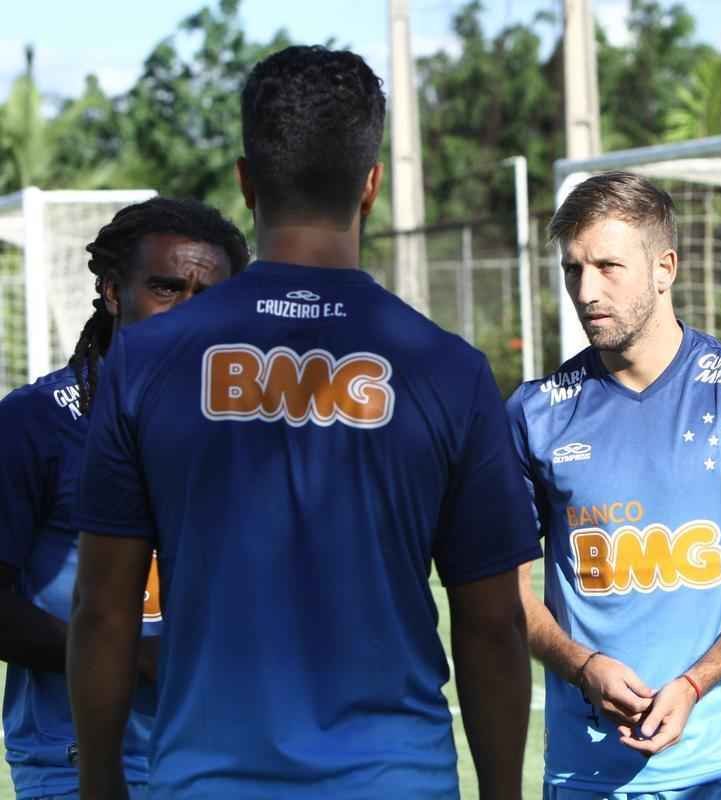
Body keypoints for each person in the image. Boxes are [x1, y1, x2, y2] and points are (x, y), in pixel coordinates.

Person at [67, 46, 540, 800]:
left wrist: (99, 786)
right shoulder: (450, 369)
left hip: (205, 783)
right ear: (372, 187)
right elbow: (493, 625)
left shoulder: (146, 359)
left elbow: (102, 610)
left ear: (246, 182)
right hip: (396, 782)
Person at [508, 170, 721, 798]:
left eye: (608, 266)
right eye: (573, 270)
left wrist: (696, 682)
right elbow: (508, 598)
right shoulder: (533, 413)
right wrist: (582, 666)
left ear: (664, 267)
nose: (587, 291)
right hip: (589, 773)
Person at [0, 196, 247, 800]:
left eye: (209, 298)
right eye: (165, 289)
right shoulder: (32, 424)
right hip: (76, 763)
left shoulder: (251, 427)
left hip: (227, 758)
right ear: (113, 292)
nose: (187, 314)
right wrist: (127, 652)